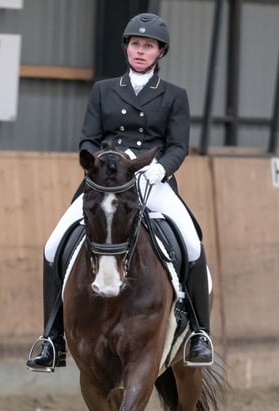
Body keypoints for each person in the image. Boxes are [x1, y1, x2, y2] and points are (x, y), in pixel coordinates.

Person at [27, 12, 214, 371]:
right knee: (53, 247)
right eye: (135, 44)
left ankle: (199, 334)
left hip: (150, 181)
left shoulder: (175, 96)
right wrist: (106, 159)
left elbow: (178, 145)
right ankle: (52, 339)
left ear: (160, 52)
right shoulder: (103, 89)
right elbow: (87, 138)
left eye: (148, 46)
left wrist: (159, 168)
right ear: (126, 47)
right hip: (107, 181)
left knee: (191, 244)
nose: (140, 51)